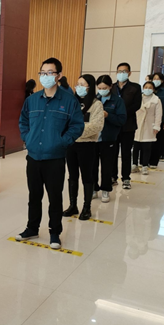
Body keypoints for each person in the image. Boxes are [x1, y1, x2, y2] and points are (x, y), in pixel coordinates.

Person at [16, 57, 84, 249]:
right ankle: (32, 228)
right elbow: (23, 121)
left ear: (58, 75)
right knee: (34, 196)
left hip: (55, 158)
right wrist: (27, 138)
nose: (45, 76)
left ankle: (55, 232)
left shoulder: (69, 101)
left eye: (50, 73)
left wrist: (62, 142)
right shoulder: (32, 100)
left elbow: (77, 126)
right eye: (42, 73)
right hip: (34, 156)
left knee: (55, 197)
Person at [63, 74, 104, 221]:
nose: (78, 87)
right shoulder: (71, 102)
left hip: (87, 145)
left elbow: (96, 126)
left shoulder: (96, 104)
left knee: (87, 176)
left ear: (90, 87)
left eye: (82, 84)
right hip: (71, 144)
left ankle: (87, 207)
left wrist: (75, 130)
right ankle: (73, 205)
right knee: (72, 176)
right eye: (77, 84)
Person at [93, 75, 126, 203]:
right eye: (99, 88)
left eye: (104, 88)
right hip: (93, 138)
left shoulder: (117, 101)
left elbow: (121, 120)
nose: (102, 90)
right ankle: (94, 188)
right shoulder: (94, 99)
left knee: (107, 166)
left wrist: (108, 116)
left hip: (109, 138)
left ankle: (106, 189)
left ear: (110, 86)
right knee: (92, 165)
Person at [111, 62, 142, 190]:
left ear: (129, 73)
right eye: (119, 71)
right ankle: (113, 176)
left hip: (128, 125)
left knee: (126, 153)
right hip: (113, 125)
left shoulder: (135, 87)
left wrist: (122, 113)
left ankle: (126, 178)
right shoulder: (112, 87)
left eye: (124, 71)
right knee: (112, 153)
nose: (121, 73)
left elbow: (137, 105)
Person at [132, 82, 162, 175]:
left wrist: (157, 126)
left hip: (149, 126)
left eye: (150, 87)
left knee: (147, 147)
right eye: (146, 87)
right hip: (137, 124)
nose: (147, 89)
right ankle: (134, 164)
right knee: (136, 147)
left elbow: (158, 114)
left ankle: (145, 165)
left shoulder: (156, 100)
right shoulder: (138, 98)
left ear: (153, 89)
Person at [149, 72, 164, 168]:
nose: (155, 80)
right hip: (149, 119)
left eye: (158, 79)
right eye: (154, 78)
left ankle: (154, 161)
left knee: (158, 140)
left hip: (161, 119)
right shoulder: (149, 90)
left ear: (162, 80)